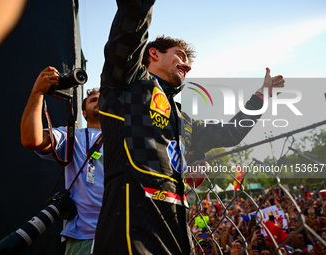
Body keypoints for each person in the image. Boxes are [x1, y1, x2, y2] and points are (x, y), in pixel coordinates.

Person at [94, 1, 285, 254]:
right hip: (132, 217)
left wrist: (260, 97)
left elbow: (232, 132)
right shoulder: (126, 83)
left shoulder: (183, 120)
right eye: (180, 55)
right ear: (153, 53)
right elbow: (128, 31)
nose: (187, 65)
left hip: (176, 223)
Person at [21, 66, 104, 255]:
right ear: (83, 112)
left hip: (124, 233)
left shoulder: (127, 138)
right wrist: (38, 92)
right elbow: (30, 139)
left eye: (103, 99)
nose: (99, 102)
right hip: (83, 237)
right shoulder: (72, 136)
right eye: (93, 100)